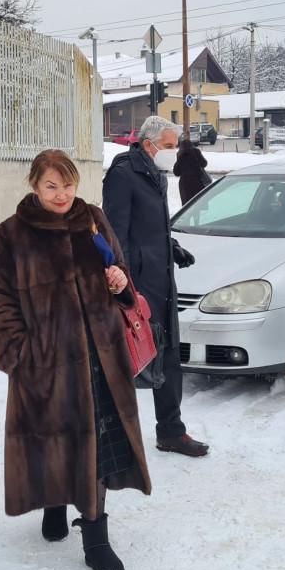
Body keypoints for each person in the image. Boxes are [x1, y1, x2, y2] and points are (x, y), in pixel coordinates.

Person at [0, 149, 152, 570]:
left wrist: (119, 284)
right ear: (34, 186)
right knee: (52, 438)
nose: (61, 195)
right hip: (45, 363)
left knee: (95, 443)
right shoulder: (13, 234)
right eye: (51, 186)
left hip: (100, 358)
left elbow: (120, 271)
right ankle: (54, 501)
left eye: (68, 184)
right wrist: (20, 352)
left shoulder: (92, 218)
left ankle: (96, 541)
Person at [102, 116, 209, 458]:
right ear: (149, 145)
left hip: (163, 282)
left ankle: (171, 431)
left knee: (169, 359)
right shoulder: (123, 175)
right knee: (131, 362)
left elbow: (150, 228)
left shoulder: (155, 174)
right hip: (140, 288)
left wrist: (172, 249)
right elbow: (115, 234)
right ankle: (113, 434)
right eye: (168, 146)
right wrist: (127, 286)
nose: (173, 153)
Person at [173, 138, 211, 205]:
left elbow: (176, 172)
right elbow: (204, 163)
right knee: (197, 204)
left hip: (185, 184)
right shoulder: (196, 152)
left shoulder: (180, 154)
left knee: (187, 206)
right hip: (197, 182)